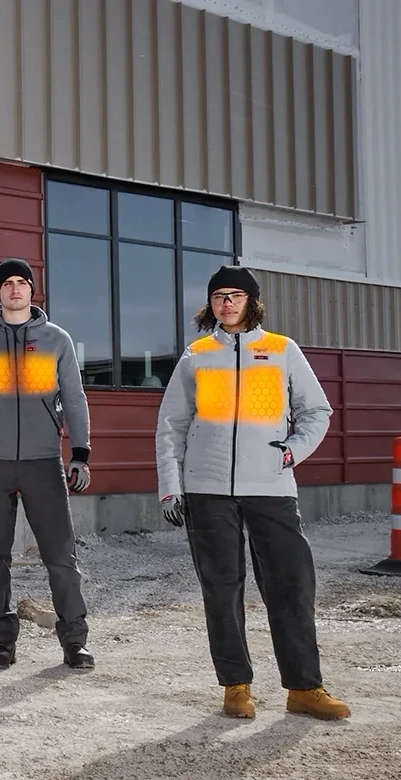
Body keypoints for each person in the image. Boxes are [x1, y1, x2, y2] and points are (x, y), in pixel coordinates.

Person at [156, 265, 350, 721]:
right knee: (221, 589)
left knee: (291, 585)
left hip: (271, 487)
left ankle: (305, 687)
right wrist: (171, 487)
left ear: (251, 301)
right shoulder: (197, 354)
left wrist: (290, 454)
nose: (227, 303)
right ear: (211, 303)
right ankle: (236, 687)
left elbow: (316, 411)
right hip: (206, 489)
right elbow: (171, 426)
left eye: (236, 295)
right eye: (219, 295)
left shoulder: (282, 350)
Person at [0, 258, 96, 670]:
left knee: (61, 557)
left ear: (33, 291)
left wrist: (80, 452)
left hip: (43, 462)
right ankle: (1, 641)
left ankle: (74, 641)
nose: (15, 289)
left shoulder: (56, 339)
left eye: (22, 283)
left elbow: (74, 398)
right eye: (7, 284)